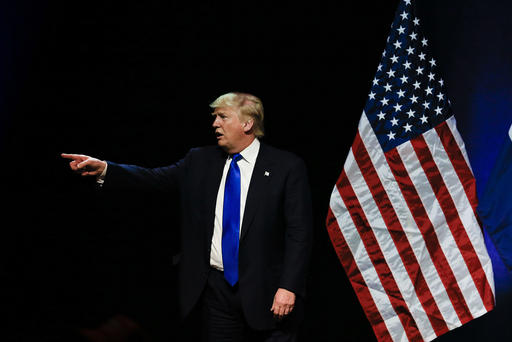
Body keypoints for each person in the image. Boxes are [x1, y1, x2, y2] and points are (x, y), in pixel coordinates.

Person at [62, 92, 313, 341]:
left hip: (269, 293)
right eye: (215, 117)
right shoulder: (200, 160)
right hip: (217, 292)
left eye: (223, 117)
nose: (215, 123)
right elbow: (154, 179)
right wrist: (106, 169)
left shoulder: (287, 167)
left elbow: (299, 233)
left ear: (247, 124)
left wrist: (289, 286)